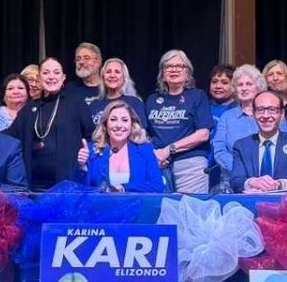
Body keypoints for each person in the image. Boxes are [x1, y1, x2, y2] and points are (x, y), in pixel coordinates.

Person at [5, 57, 92, 190]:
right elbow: (10, 136)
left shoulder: (76, 104)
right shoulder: (29, 107)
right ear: (39, 78)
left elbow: (92, 136)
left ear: (63, 78)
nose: (51, 77)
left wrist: (85, 156)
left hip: (66, 185)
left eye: (56, 72)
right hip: (33, 185)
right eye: (46, 73)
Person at [145, 50, 213, 193]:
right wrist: (155, 155)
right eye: (168, 66)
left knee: (189, 205)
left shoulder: (197, 96)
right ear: (162, 73)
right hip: (158, 163)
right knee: (159, 206)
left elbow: (203, 134)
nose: (174, 69)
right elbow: (144, 134)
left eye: (179, 66)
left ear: (187, 72)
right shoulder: (152, 100)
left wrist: (168, 150)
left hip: (190, 164)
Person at [230, 91, 287, 194]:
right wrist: (252, 182)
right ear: (254, 114)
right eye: (260, 110)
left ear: (282, 114)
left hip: (286, 203)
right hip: (253, 201)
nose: (266, 115)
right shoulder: (242, 146)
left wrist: (281, 184)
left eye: (272, 110)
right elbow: (235, 181)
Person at [213, 65, 286, 177]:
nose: (244, 88)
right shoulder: (227, 117)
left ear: (258, 87)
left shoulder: (273, 113)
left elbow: (284, 144)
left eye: (249, 84)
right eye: (240, 85)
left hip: (270, 179)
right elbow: (219, 150)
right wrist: (242, 170)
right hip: (234, 179)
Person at [75, 101, 163, 192]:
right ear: (105, 124)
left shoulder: (145, 150)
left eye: (124, 120)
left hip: (136, 202)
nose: (119, 125)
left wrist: (124, 187)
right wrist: (82, 166)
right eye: (113, 120)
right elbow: (79, 189)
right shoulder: (92, 150)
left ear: (132, 124)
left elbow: (157, 186)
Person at [84, 58, 147, 129]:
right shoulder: (94, 104)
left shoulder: (134, 103)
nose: (112, 75)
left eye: (117, 72)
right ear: (103, 77)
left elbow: (141, 132)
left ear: (124, 77)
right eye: (108, 72)